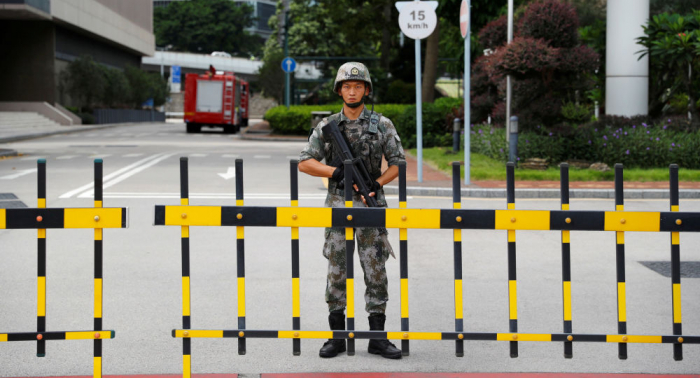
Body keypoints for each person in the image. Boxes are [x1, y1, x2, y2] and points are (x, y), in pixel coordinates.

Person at [298, 62, 405, 359]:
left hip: (371, 208)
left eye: (358, 86)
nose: (353, 91)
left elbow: (398, 162)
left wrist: (377, 184)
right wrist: (335, 173)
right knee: (336, 271)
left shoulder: (382, 124)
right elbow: (305, 162)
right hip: (337, 209)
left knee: (376, 271)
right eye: (347, 86)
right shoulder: (327, 126)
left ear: (366, 90)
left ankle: (377, 337)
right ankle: (337, 337)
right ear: (339, 90)